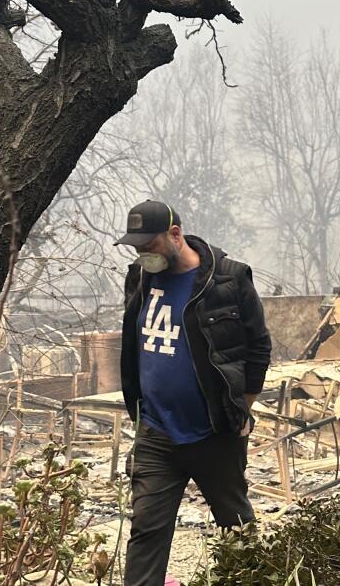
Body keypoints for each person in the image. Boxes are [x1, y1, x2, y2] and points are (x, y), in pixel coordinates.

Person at [114, 199, 271, 585]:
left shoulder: (229, 280)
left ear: (175, 234)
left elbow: (258, 347)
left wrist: (242, 408)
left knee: (236, 530)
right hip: (156, 433)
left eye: (149, 245)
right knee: (146, 533)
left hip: (214, 433)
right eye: (137, 248)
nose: (143, 254)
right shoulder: (140, 278)